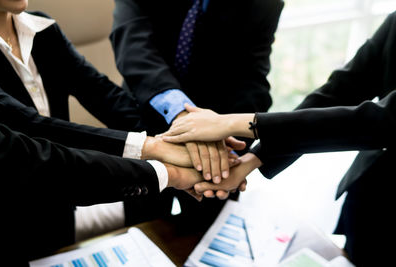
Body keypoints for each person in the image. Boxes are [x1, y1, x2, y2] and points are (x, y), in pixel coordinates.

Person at [161, 11, 396, 266]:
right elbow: (338, 92)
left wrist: (228, 123)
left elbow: (383, 120)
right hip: (369, 193)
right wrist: (250, 160)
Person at [0, 0, 241, 235]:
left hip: (65, 205)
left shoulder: (43, 28)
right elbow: (34, 130)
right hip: (18, 214)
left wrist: (184, 142)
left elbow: (104, 95)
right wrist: (161, 154)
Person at [110, 0, 284, 227]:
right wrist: (184, 117)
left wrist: (228, 151)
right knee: (144, 230)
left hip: (217, 143)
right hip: (143, 125)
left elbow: (252, 79)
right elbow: (133, 49)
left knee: (210, 234)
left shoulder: (264, 4)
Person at [0, 122, 204, 265]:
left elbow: (33, 122)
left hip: (61, 215)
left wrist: (155, 146)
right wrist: (171, 173)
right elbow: (39, 162)